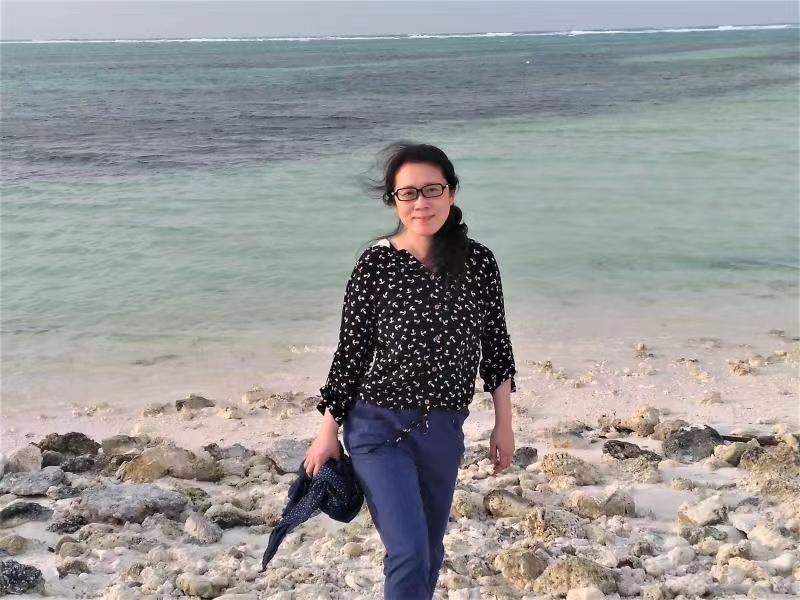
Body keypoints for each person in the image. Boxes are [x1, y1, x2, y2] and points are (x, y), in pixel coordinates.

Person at [304, 141, 517, 600]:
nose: (422, 202)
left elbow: (496, 348)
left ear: (452, 193)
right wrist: (327, 432)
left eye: (432, 190)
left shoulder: (478, 262)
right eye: (408, 193)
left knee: (430, 552)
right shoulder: (375, 265)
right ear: (394, 202)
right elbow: (351, 353)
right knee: (408, 551)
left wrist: (504, 424)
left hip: (444, 427)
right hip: (376, 427)